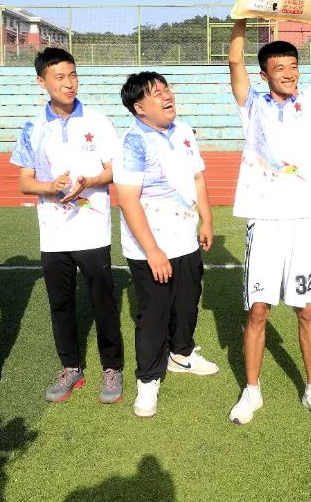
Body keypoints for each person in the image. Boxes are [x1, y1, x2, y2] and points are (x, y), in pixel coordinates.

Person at [227, 20, 311, 425]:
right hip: (263, 222)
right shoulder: (251, 105)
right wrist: (242, 15)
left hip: (303, 223)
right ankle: (252, 390)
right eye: (280, 68)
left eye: (293, 66)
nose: (289, 73)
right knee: (258, 311)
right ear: (265, 75)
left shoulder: (308, 103)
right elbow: (234, 60)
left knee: (306, 310)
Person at [11, 47, 126, 404]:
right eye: (59, 77)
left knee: (102, 301)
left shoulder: (97, 121)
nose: (69, 83)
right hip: (54, 232)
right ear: (41, 81)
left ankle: (112, 368)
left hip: (92, 228)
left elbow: (114, 170)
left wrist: (89, 182)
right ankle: (70, 366)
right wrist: (50, 187)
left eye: (73, 75)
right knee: (60, 303)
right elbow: (24, 182)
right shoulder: (33, 127)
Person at [114, 71, 217, 417]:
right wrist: (153, 251)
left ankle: (182, 355)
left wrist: (207, 219)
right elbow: (127, 200)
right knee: (154, 314)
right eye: (156, 93)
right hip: (150, 248)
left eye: (166, 89)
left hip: (185, 240)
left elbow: (198, 177)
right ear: (139, 107)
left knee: (187, 304)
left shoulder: (184, 131)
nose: (167, 96)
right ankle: (148, 379)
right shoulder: (133, 142)